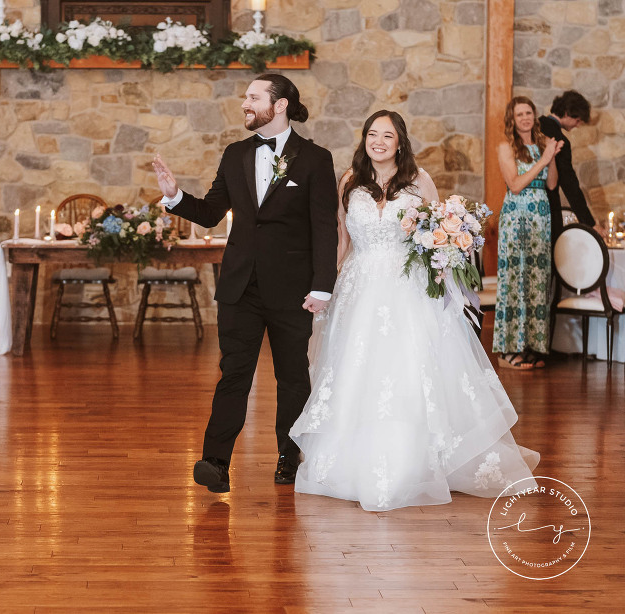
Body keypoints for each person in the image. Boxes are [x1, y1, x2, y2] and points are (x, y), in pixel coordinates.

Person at [289, 110, 539, 512]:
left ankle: (418, 458)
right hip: (358, 287)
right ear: (364, 139)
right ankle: (352, 459)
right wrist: (325, 287)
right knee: (358, 370)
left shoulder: (419, 180)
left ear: (400, 142)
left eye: (387, 135)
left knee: (409, 368)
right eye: (372, 134)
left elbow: (437, 238)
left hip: (408, 288)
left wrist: (445, 274)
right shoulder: (349, 181)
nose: (378, 142)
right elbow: (341, 239)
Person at [152, 74, 339, 493]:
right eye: (245, 98)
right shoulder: (235, 154)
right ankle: (215, 462)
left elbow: (324, 227)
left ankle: (289, 457)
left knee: (292, 377)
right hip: (240, 288)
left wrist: (322, 286)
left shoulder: (315, 159)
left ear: (280, 104)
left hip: (293, 290)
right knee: (233, 373)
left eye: (254, 97)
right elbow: (210, 213)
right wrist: (174, 196)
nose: (245, 104)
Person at [493, 96, 563, 370]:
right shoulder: (506, 146)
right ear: (512, 119)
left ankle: (532, 346)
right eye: (519, 114)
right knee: (515, 279)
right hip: (516, 217)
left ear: (534, 116)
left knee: (536, 281)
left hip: (540, 218)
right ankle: (508, 350)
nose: (525, 118)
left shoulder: (543, 145)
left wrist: (551, 157)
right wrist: (543, 160)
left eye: (528, 113)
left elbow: (552, 185)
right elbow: (515, 184)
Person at [539, 90, 602, 243]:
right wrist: (590, 223)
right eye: (577, 120)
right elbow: (570, 185)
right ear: (567, 113)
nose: (578, 125)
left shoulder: (534, 126)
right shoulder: (560, 140)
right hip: (547, 206)